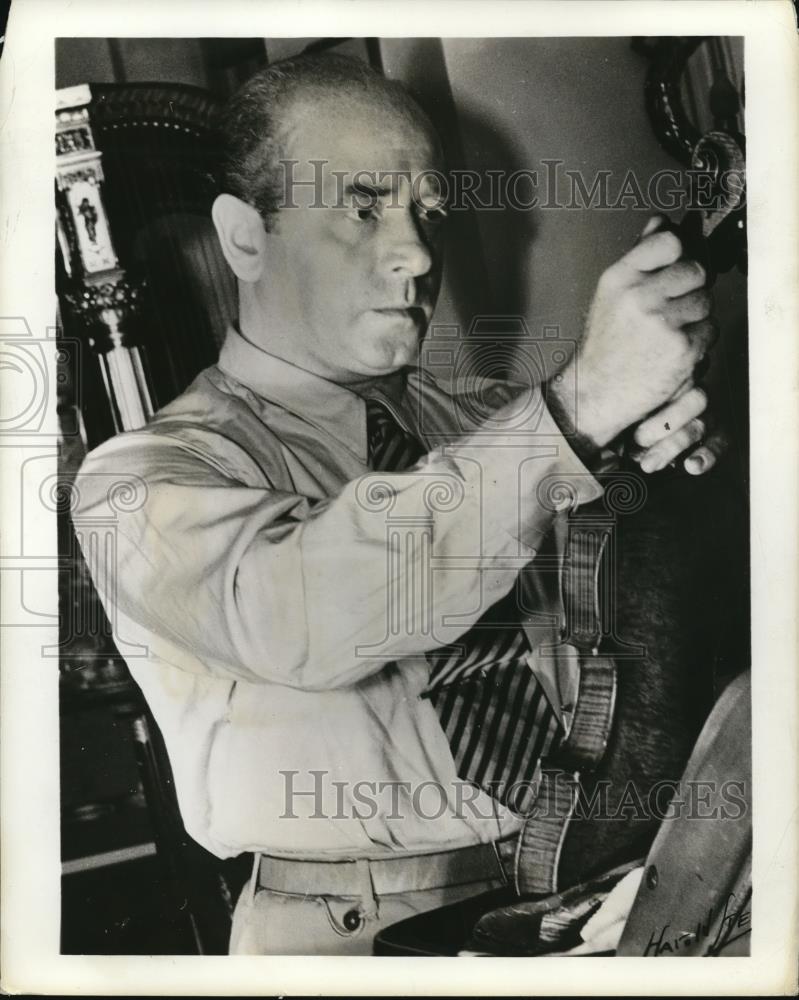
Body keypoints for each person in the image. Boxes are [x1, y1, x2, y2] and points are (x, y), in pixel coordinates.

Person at [72, 53, 720, 955]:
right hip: (356, 933)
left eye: (430, 210)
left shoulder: (497, 426)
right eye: (364, 204)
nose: (416, 252)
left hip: (583, 897)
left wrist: (655, 488)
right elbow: (315, 613)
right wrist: (576, 412)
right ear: (245, 236)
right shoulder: (139, 479)